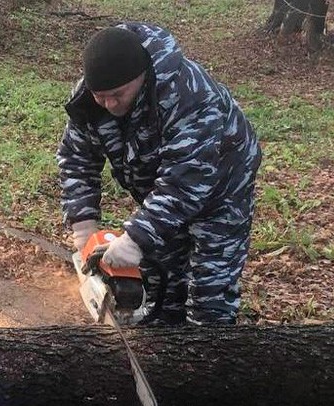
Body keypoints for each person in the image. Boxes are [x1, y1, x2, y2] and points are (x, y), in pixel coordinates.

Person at [57, 23, 262, 325]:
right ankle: (164, 352)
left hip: (222, 188)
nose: (109, 104)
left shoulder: (190, 95)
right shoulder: (89, 100)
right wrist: (83, 226)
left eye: (117, 94)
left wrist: (136, 238)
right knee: (163, 287)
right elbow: (77, 157)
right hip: (161, 188)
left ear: (140, 76)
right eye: (101, 96)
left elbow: (186, 182)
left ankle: (210, 357)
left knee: (209, 294)